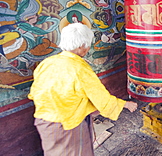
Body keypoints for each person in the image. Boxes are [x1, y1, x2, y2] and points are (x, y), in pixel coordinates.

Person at [28, 23, 137, 156]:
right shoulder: (79, 68)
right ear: (81, 46)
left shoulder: (47, 63)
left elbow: (34, 92)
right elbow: (101, 98)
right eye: (88, 44)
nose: (88, 48)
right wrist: (125, 104)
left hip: (44, 122)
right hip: (68, 125)